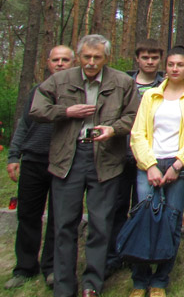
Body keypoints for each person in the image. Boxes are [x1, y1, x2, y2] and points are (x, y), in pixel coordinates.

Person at [30, 34, 139, 297]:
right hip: (68, 157)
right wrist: (65, 112)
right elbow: (36, 109)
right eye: (86, 57)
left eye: (97, 57)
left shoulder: (122, 82)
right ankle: (64, 285)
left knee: (101, 224)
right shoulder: (60, 80)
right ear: (79, 56)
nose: (91, 62)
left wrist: (112, 129)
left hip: (106, 159)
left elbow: (135, 116)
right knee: (65, 224)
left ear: (106, 58)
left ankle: (92, 283)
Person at [128, 46, 184, 297]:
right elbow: (137, 133)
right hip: (148, 166)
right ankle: (140, 281)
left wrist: (177, 165)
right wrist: (149, 165)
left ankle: (160, 280)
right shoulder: (151, 96)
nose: (174, 69)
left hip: (179, 167)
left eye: (180, 65)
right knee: (144, 221)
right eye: (171, 64)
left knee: (171, 222)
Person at [5, 45, 74, 290]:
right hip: (33, 159)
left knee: (59, 217)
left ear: (72, 63)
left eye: (65, 59)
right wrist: (14, 155)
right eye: (56, 59)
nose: (60, 63)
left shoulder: (77, 93)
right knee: (28, 215)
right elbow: (23, 125)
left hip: (63, 161)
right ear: (48, 62)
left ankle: (52, 267)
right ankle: (24, 267)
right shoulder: (38, 91)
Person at [107, 39, 166, 277]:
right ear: (137, 59)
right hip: (121, 153)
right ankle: (115, 254)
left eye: (154, 57)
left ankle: (139, 252)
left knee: (143, 205)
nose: (150, 61)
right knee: (117, 204)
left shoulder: (166, 85)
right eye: (145, 57)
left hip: (153, 155)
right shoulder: (123, 84)